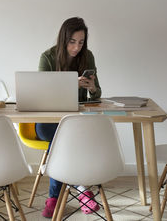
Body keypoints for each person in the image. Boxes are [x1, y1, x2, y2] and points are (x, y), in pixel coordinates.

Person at [36, 17, 102, 218]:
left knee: (63, 140)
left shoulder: (87, 56)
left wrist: (92, 88)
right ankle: (82, 189)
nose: (76, 47)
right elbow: (41, 93)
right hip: (50, 121)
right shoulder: (47, 57)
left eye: (81, 42)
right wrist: (72, 84)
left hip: (77, 121)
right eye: (72, 42)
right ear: (63, 39)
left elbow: (97, 94)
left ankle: (54, 200)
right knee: (62, 137)